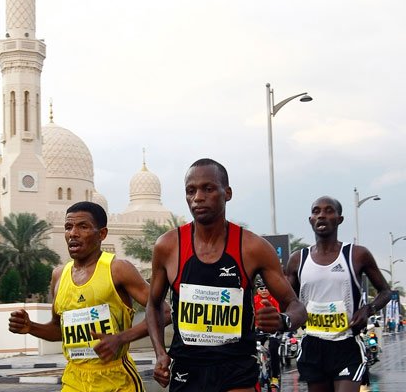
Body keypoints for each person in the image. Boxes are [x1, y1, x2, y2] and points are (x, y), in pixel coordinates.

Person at [146, 158, 307, 392]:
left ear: (227, 193)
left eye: (208, 189)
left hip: (236, 369)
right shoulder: (168, 246)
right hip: (187, 369)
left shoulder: (253, 247)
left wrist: (284, 320)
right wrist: (160, 353)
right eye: (191, 191)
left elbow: (296, 306)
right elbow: (153, 305)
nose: (198, 197)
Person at [9, 201, 164, 392]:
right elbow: (59, 330)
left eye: (83, 226)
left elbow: (163, 312)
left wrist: (120, 339)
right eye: (68, 227)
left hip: (116, 380)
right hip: (74, 379)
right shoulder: (59, 275)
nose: (73, 233)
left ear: (102, 234)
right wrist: (31, 327)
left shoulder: (118, 269)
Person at [285, 195, 391, 392]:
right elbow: (287, 300)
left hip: (346, 343)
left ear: (339, 219)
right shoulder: (298, 259)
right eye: (316, 211)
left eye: (329, 211)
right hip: (313, 345)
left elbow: (386, 292)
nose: (322, 216)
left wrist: (369, 309)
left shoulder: (357, 254)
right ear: (310, 220)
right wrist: (287, 317)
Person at [253, 276, 282, 392]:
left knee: (274, 348)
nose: (264, 290)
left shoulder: (274, 299)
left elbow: (279, 315)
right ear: (257, 290)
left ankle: (275, 377)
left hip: (273, 330)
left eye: (266, 288)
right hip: (258, 330)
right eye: (261, 288)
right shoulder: (253, 300)